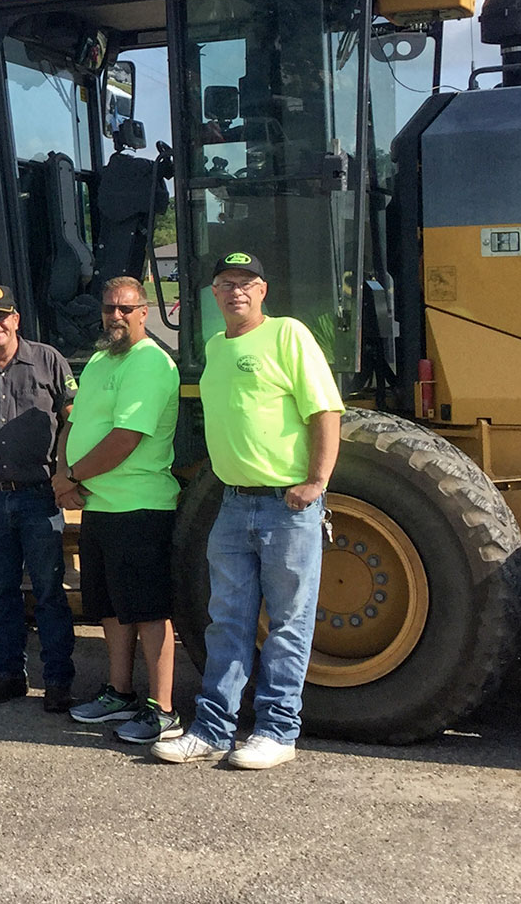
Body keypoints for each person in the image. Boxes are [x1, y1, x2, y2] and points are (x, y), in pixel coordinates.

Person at [154, 252, 344, 770]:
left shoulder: (288, 335)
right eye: (225, 283)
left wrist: (316, 482)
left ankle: (277, 732)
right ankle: (212, 730)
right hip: (234, 503)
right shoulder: (216, 347)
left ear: (263, 291)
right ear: (213, 294)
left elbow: (325, 410)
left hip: (286, 505)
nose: (235, 291)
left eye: (245, 282)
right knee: (226, 622)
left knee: (287, 623)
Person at [62, 275, 183, 746]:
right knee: (111, 609)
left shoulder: (150, 362)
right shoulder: (98, 361)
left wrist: (72, 477)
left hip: (139, 505)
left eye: (125, 309)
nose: (116, 316)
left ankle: (163, 709)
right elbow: (74, 422)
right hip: (98, 504)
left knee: (148, 611)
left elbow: (125, 438)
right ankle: (119, 692)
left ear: (144, 312)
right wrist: (63, 474)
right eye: (109, 308)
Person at [0, 283, 79, 712]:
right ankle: (8, 676)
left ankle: (58, 681)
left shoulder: (48, 361)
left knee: (49, 593)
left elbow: (73, 421)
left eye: (1, 316)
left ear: (16, 319)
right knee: (2, 593)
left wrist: (67, 474)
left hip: (39, 496)